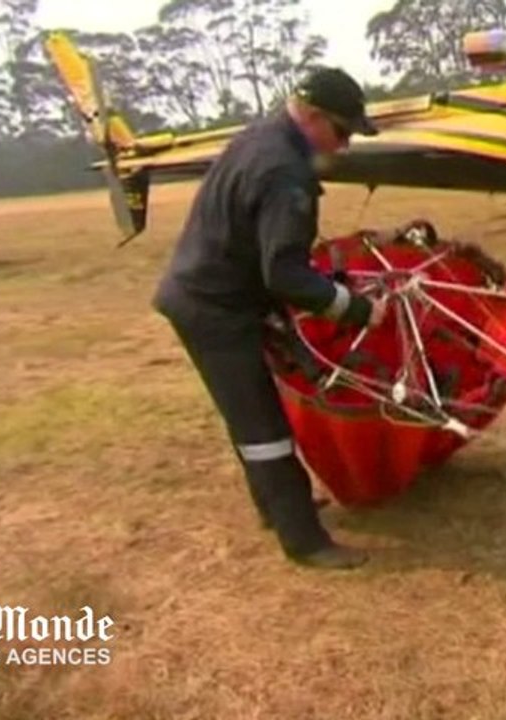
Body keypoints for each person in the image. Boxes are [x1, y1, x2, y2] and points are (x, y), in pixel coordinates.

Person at [152, 66, 387, 570]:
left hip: (213, 293)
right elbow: (284, 274)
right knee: (263, 425)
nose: (343, 146)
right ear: (312, 115)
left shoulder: (260, 137)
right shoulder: (284, 171)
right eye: (341, 132)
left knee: (250, 412)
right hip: (213, 308)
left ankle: (274, 509)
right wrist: (360, 310)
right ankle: (304, 541)